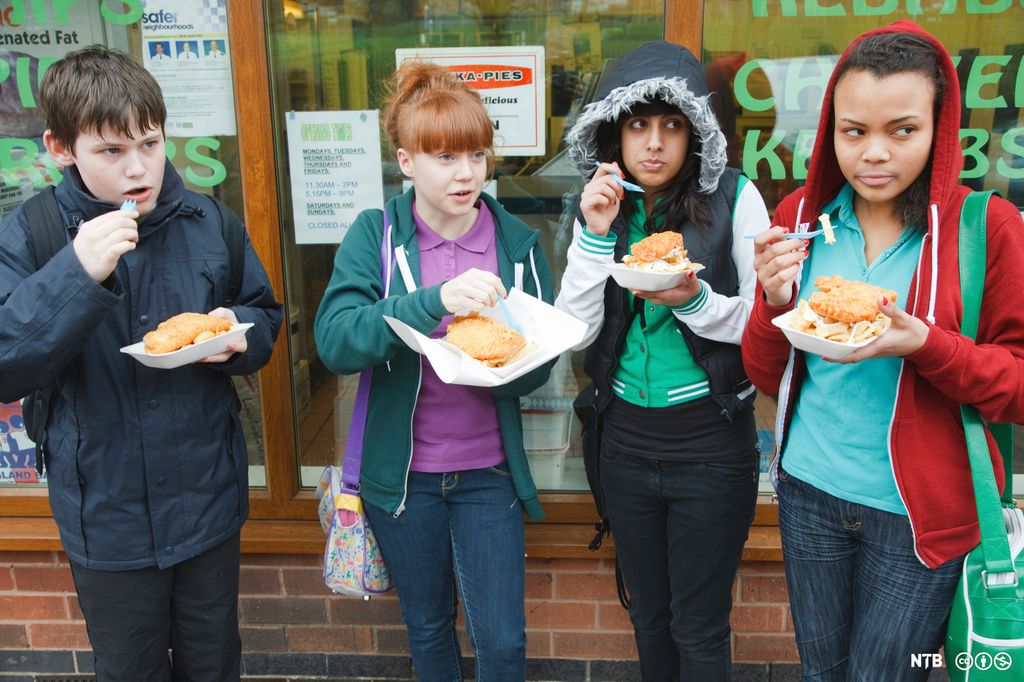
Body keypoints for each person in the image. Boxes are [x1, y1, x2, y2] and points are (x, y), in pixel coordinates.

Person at [742, 21, 1024, 681]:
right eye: (853, 131)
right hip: (810, 492)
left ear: (939, 127)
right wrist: (774, 301)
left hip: (919, 515)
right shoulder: (801, 218)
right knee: (822, 672)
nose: (874, 153)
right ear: (830, 130)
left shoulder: (987, 228)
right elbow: (764, 372)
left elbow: (1016, 386)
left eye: (902, 130)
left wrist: (925, 344)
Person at [0, 46, 282, 681]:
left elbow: (263, 313)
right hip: (107, 515)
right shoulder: (35, 235)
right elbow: (6, 366)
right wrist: (77, 273)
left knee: (213, 667)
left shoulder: (208, 219)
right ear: (60, 146)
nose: (139, 169)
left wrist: (240, 341)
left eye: (150, 144)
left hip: (207, 498)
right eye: (112, 151)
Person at [313, 61, 553, 682]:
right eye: (445, 157)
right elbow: (336, 342)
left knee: (502, 641)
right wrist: (433, 302)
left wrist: (523, 358)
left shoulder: (517, 245)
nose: (467, 173)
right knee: (427, 628)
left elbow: (535, 372)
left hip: (487, 475)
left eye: (476, 154)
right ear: (406, 161)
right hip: (404, 481)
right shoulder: (377, 235)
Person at [556, 41, 770, 681]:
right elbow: (574, 331)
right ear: (614, 132)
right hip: (622, 445)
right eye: (638, 125)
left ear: (695, 132)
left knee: (698, 627)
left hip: (711, 446)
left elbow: (764, 326)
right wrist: (594, 235)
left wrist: (694, 300)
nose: (653, 143)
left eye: (671, 125)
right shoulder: (600, 202)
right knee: (647, 615)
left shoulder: (736, 197)